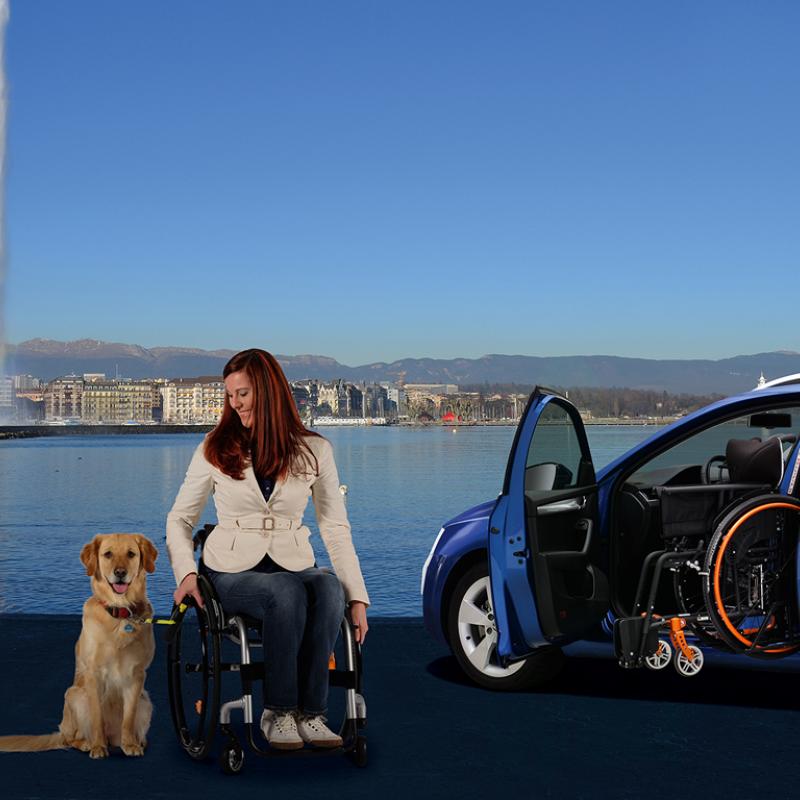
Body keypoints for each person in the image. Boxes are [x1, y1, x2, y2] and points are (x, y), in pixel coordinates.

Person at [166, 349, 369, 751]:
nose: (234, 404)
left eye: (242, 393)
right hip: (229, 572)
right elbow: (179, 520)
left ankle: (311, 714)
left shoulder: (315, 450)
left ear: (268, 391)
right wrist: (186, 574)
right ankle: (277, 712)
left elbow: (335, 527)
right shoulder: (213, 447)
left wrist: (358, 596)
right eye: (230, 396)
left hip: (293, 561)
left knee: (329, 589)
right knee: (285, 591)